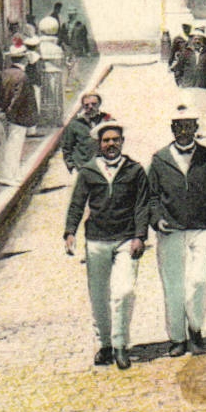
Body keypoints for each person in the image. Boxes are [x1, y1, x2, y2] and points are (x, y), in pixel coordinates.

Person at [64, 122, 149, 370]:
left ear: (122, 141)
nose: (111, 144)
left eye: (115, 140)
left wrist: (140, 236)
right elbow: (77, 203)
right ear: (99, 144)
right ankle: (105, 345)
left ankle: (121, 344)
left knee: (124, 291)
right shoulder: (89, 171)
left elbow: (142, 205)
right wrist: (70, 231)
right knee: (99, 296)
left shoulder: (134, 170)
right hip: (96, 241)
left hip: (125, 239)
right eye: (106, 141)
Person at [148, 103, 206, 357]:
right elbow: (151, 197)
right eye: (179, 126)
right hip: (171, 231)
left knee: (199, 281)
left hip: (204, 228)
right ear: (172, 129)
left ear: (196, 128)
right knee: (173, 286)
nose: (184, 131)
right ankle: (177, 338)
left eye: (188, 126)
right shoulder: (160, 160)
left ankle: (195, 328)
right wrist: (157, 219)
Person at [0, 44, 37, 186]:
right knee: (14, 147)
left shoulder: (4, 73)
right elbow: (17, 99)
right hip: (18, 116)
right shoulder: (22, 76)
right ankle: (8, 176)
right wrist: (10, 113)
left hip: (6, 114)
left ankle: (14, 174)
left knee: (10, 145)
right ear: (24, 59)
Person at [61, 90, 111, 175]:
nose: (90, 107)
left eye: (93, 104)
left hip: (105, 167)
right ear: (83, 106)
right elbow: (67, 148)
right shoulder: (75, 124)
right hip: (83, 168)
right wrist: (71, 167)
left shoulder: (108, 121)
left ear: (99, 104)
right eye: (86, 105)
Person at [172, 27, 206, 112]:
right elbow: (178, 69)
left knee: (202, 111)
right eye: (195, 39)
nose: (197, 41)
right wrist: (179, 82)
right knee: (188, 110)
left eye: (199, 39)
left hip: (202, 86)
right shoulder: (185, 53)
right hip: (188, 86)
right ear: (192, 40)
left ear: (203, 40)